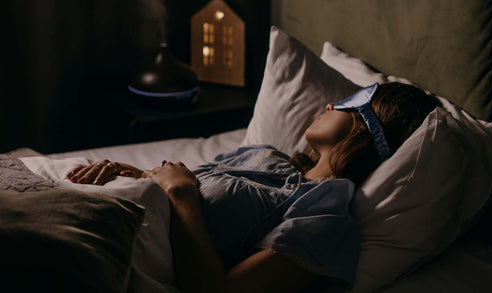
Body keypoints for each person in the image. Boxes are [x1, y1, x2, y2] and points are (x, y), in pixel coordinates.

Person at [67, 82, 441, 293]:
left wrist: (181, 195)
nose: (329, 103)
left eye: (348, 103)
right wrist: (129, 173)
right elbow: (170, 181)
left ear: (371, 126)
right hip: (92, 211)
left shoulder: (328, 216)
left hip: (105, 252)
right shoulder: (264, 156)